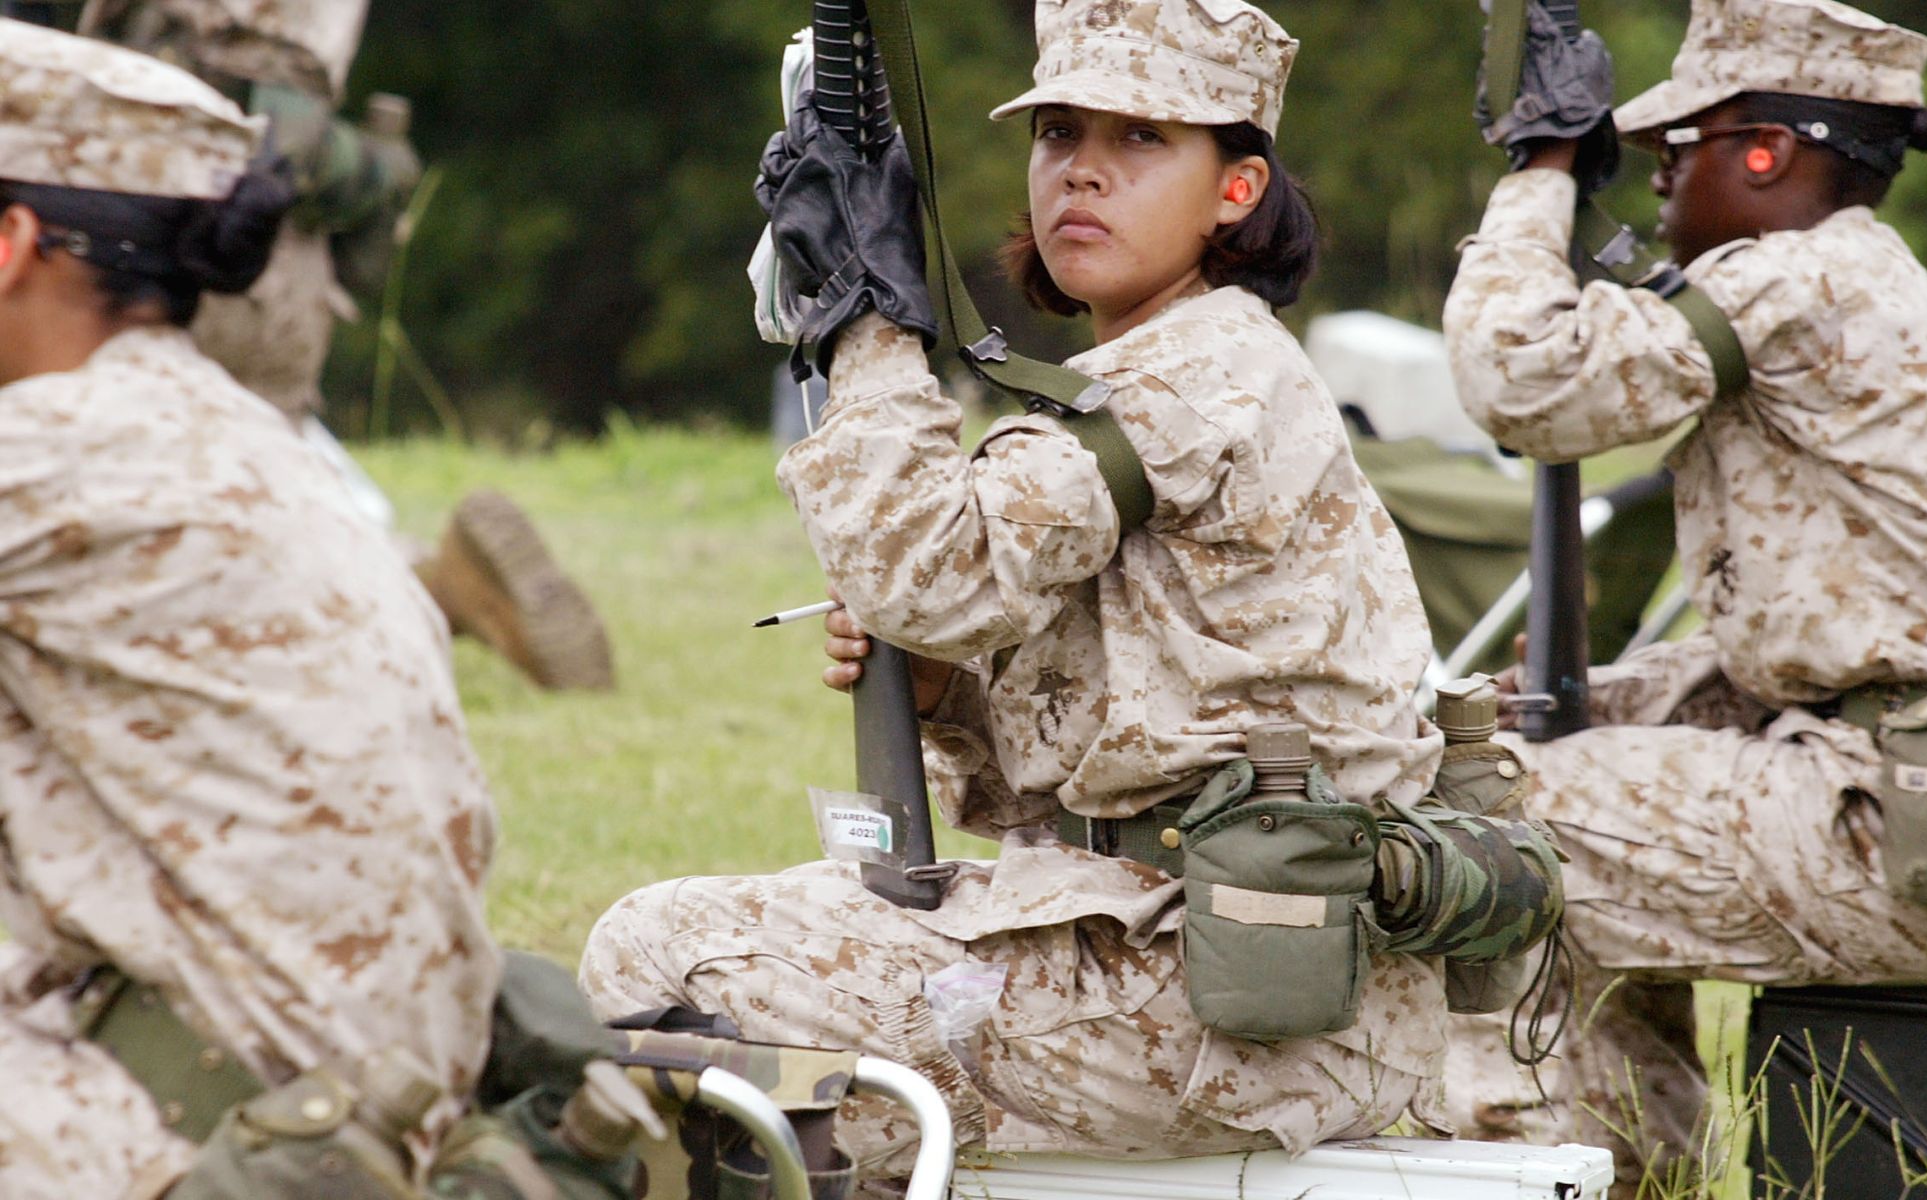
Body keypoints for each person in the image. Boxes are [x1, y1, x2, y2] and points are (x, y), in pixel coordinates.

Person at [582, 0, 1565, 1182]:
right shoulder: (1136, 377)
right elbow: (1064, 779)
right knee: (726, 997)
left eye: (1141, 140)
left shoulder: (1201, 371)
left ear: (1236, 190)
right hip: (1183, 969)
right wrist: (946, 687)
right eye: (1058, 133)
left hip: (1233, 1013)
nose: (1082, 172)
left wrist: (870, 325)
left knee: (660, 955)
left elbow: (919, 574)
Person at [1442, 0, 1927, 1190]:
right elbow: (1832, 642)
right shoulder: (1855, 285)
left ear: (1765, 150)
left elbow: (1526, 382)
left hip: (1921, 821)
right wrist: (1607, 694)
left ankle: (1575, 1175)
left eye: (1674, 147)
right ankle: (1628, 1167)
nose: (1654, 177)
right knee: (1549, 769)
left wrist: (1538, 176)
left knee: (1490, 836)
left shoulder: (1798, 282)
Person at [0, 20, 503, 1196]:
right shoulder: (252, 442)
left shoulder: (49, 451)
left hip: (207, 1137)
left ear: (12, 242)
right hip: (346, 1113)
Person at [79, 0, 617, 692]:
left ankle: (415, 590)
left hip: (172, 244)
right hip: (259, 264)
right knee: (240, 507)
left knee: (162, 521)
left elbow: (246, 120)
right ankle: (427, 585)